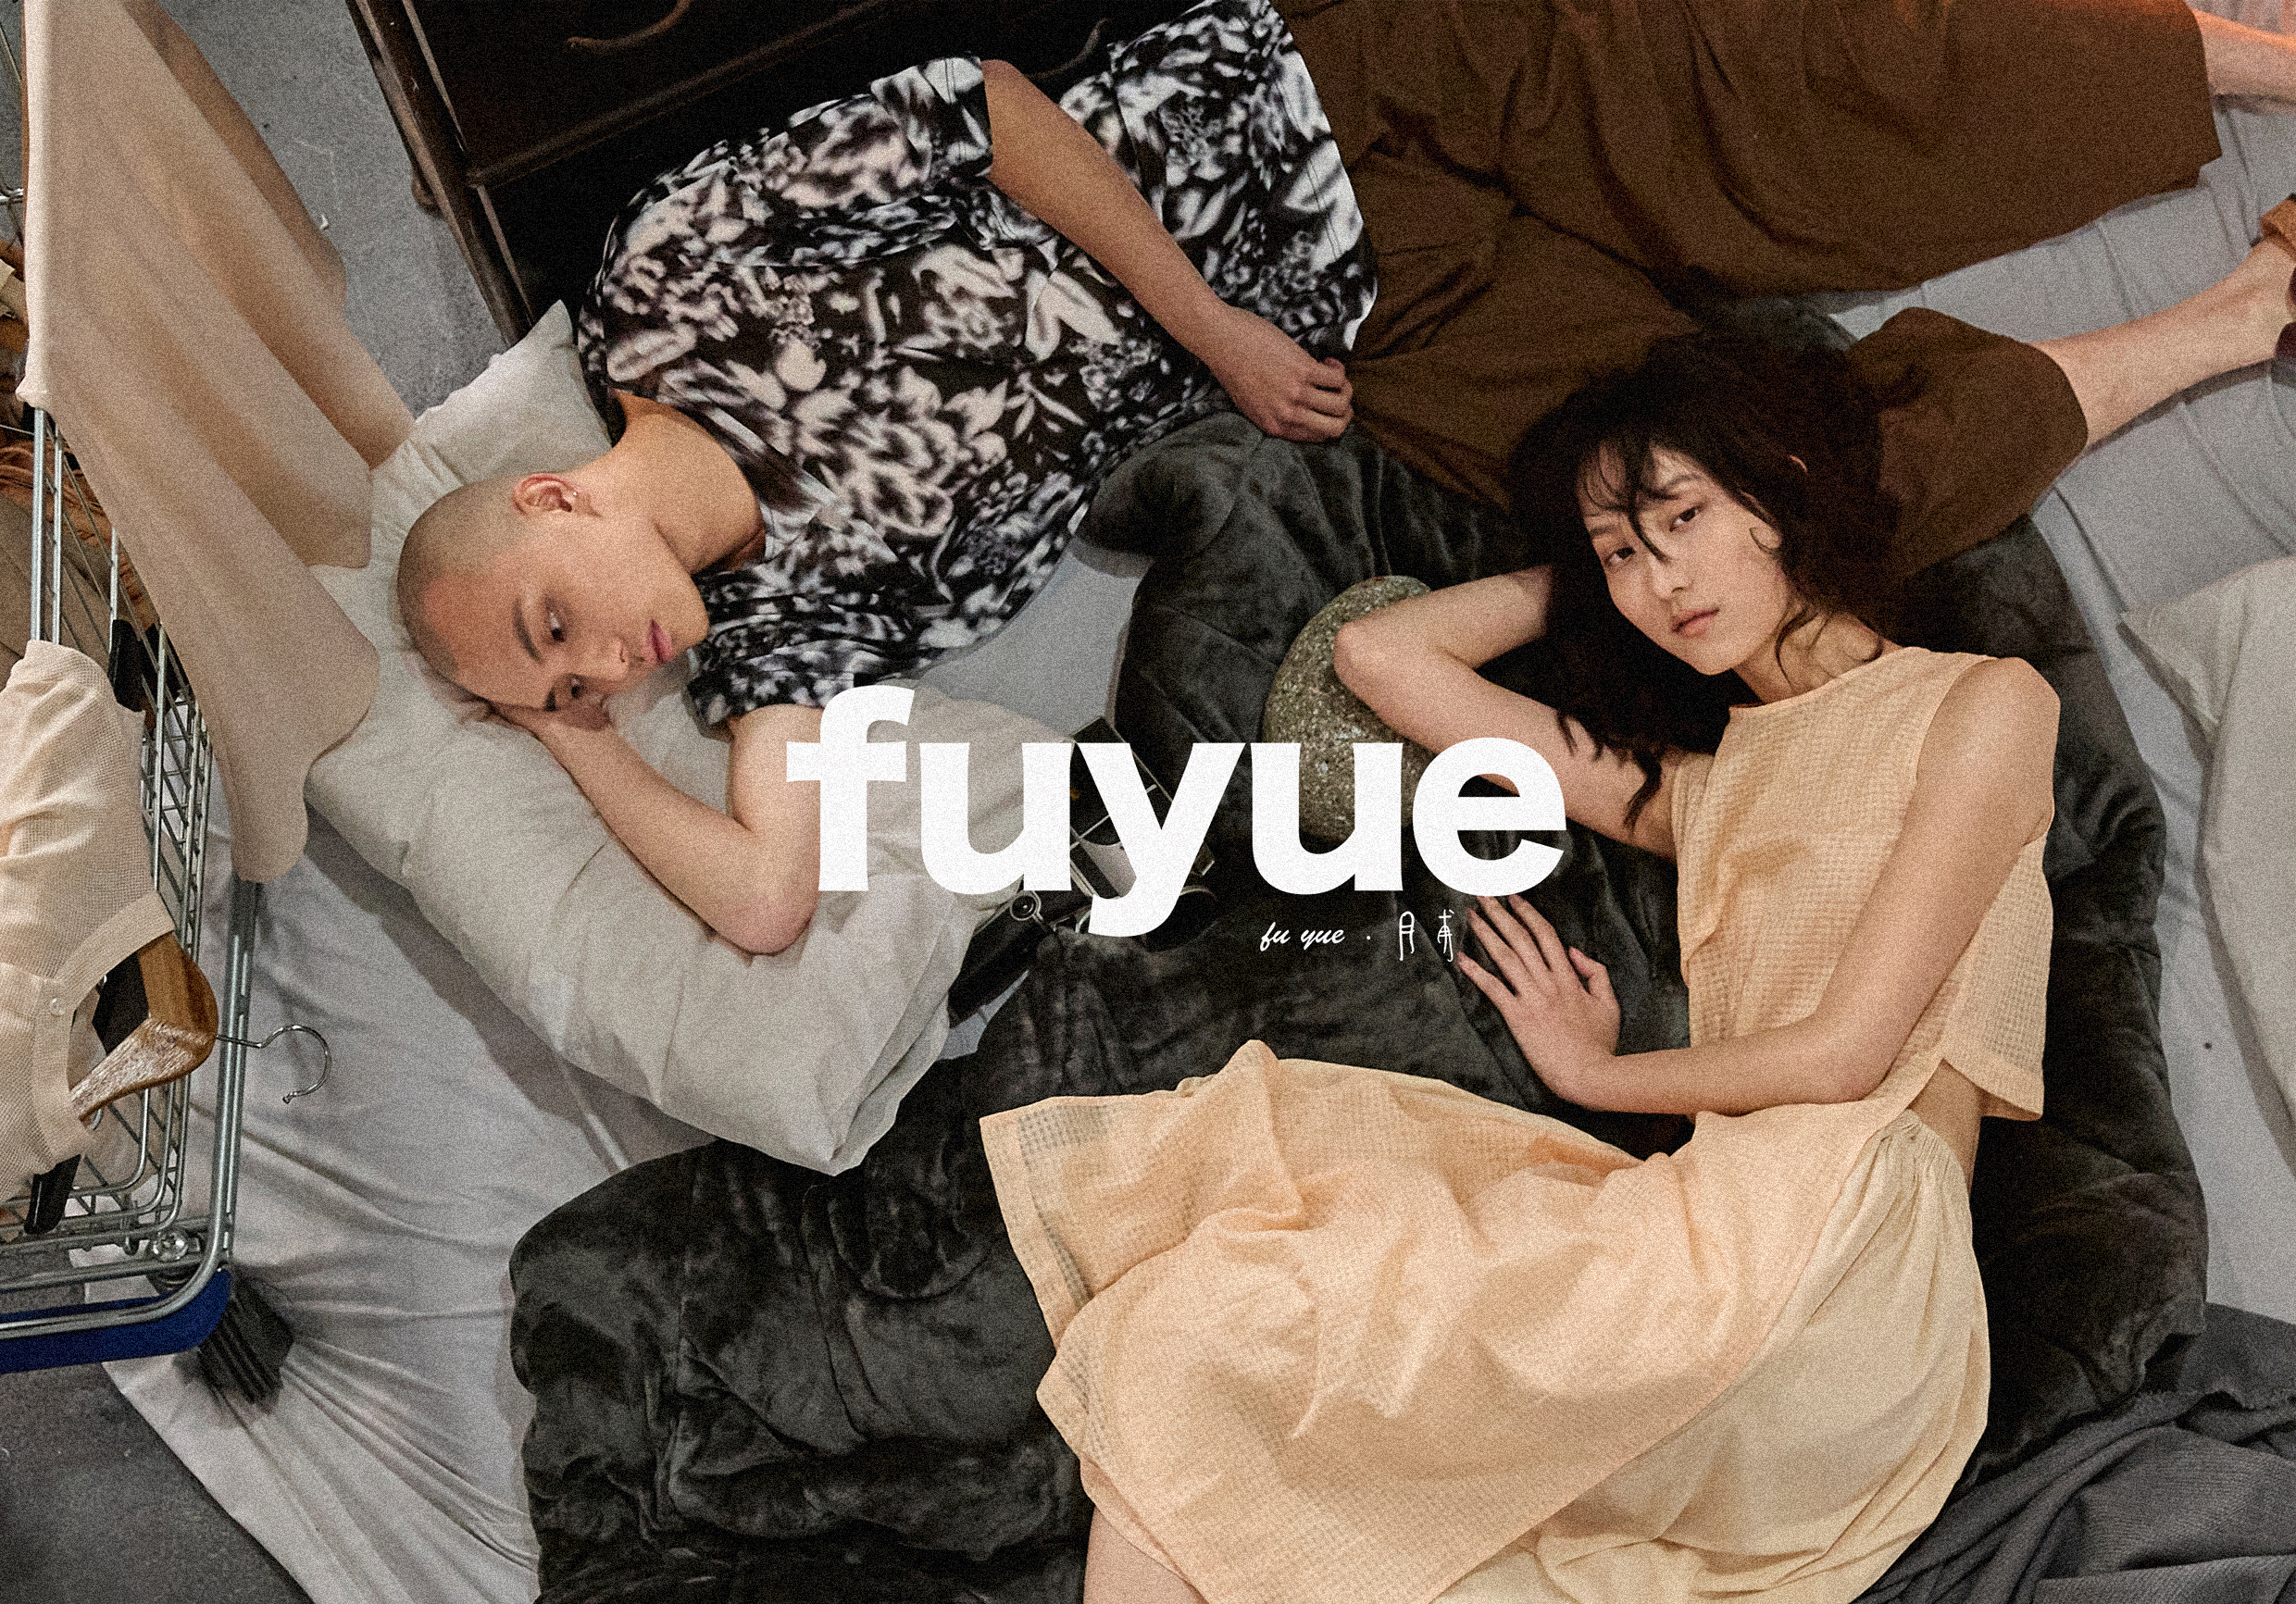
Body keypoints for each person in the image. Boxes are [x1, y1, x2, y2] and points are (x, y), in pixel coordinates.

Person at [397, 0, 2296, 958]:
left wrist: (1207, 329)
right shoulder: (784, 627)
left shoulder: (665, 287)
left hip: (1303, 89)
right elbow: (762, 899)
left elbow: (987, 109)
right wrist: (564, 735)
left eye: (556, 626)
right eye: (569, 681)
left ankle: (2240, 54)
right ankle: (2239, 316)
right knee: (1710, 533)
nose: (603, 663)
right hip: (1369, 324)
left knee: (1760, 125)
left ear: (553, 495)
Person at [975, 329, 2064, 1604]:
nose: (1662, 580)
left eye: (1685, 518)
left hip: (1843, 1265)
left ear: (1781, 484)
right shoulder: (1700, 791)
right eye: (1622, 555)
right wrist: (1593, 568)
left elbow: (1845, 1056)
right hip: (1738, 1238)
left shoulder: (1988, 703)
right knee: (1201, 1352)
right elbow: (1382, 663)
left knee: (1214, 1333)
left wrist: (1596, 1071)